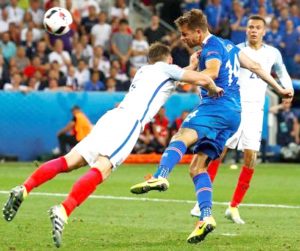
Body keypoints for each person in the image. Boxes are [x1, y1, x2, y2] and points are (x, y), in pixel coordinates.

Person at [2, 42, 222, 248]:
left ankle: (25, 187)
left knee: (69, 161)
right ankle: (64, 209)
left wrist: (191, 66)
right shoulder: (167, 69)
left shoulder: (146, 71)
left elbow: (175, 79)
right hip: (128, 124)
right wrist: (213, 88)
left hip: (112, 117)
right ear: (169, 59)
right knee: (103, 168)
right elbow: (201, 79)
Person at [130, 10, 293, 244]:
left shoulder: (212, 47)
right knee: (197, 168)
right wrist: (279, 88)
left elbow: (213, 72)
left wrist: (185, 72)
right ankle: (206, 217)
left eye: (185, 34)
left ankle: (160, 175)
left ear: (199, 31)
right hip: (235, 114)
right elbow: (256, 66)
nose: (183, 38)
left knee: (181, 134)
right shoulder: (229, 46)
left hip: (217, 106)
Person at [189, 15, 294, 224]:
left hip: (256, 109)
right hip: (234, 106)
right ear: (246, 30)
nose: (253, 30)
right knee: (220, 149)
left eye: (257, 28)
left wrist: (288, 88)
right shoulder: (235, 50)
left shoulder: (273, 53)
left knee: (251, 156)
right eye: (250, 27)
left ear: (264, 31)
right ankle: (201, 201)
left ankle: (234, 206)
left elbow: (282, 72)